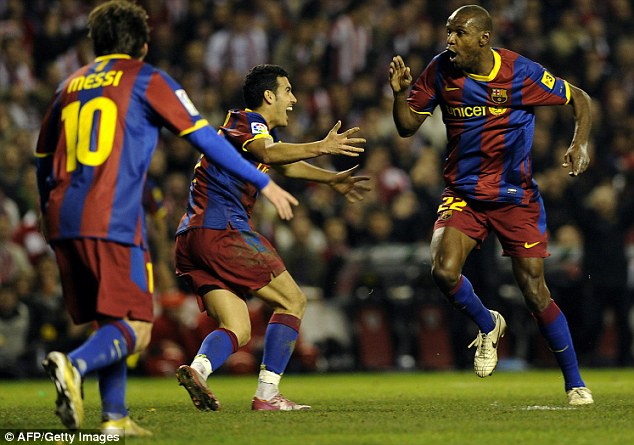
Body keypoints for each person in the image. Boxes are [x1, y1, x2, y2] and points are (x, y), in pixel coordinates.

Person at [35, 1, 298, 435]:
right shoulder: (146, 78)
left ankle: (114, 418)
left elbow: (43, 159)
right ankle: (74, 365)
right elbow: (202, 138)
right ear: (142, 44)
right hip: (112, 216)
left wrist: (48, 209)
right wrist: (263, 180)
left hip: (63, 214)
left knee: (111, 316)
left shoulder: (69, 85)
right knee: (136, 328)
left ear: (95, 42)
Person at [389, 5, 594, 405]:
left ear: (484, 38)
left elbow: (580, 98)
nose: (450, 41)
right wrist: (399, 94)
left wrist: (579, 142)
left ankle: (575, 383)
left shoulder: (521, 72)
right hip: (463, 193)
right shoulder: (440, 69)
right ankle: (488, 324)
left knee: (535, 292)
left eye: (459, 34)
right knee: (443, 272)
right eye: (448, 32)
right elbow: (406, 126)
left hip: (515, 197)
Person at [174, 64, 370, 411]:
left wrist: (330, 179)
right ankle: (267, 395)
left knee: (238, 326)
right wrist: (322, 146)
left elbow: (282, 163)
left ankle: (198, 370)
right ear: (269, 96)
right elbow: (269, 154)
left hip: (192, 238)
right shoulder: (247, 121)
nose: (293, 99)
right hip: (223, 229)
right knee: (293, 301)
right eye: (288, 91)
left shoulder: (253, 136)